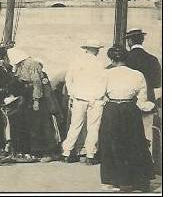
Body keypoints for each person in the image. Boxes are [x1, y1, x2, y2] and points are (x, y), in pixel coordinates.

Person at [99, 45, 154, 192]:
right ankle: (136, 181)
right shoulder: (137, 74)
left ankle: (113, 181)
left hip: (112, 110)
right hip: (130, 110)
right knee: (134, 143)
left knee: (111, 143)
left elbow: (99, 95)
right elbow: (142, 100)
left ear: (111, 58)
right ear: (126, 57)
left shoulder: (105, 74)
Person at [6, 48, 61, 162]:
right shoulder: (21, 65)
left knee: (40, 125)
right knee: (31, 125)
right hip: (27, 97)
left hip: (36, 98)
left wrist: (36, 100)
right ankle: (33, 151)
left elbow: (37, 83)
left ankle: (45, 151)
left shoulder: (32, 64)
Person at [62, 40, 107, 164]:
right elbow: (104, 82)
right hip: (95, 99)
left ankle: (67, 153)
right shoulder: (100, 64)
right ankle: (90, 155)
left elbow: (68, 80)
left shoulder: (76, 62)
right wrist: (99, 96)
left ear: (86, 49)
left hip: (79, 98)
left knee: (75, 126)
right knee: (93, 127)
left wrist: (72, 94)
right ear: (96, 50)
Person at [124, 28, 162, 159]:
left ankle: (129, 161)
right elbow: (158, 83)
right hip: (148, 99)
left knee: (128, 132)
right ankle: (147, 161)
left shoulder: (125, 59)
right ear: (143, 40)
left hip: (127, 100)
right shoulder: (153, 59)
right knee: (147, 131)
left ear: (129, 41)